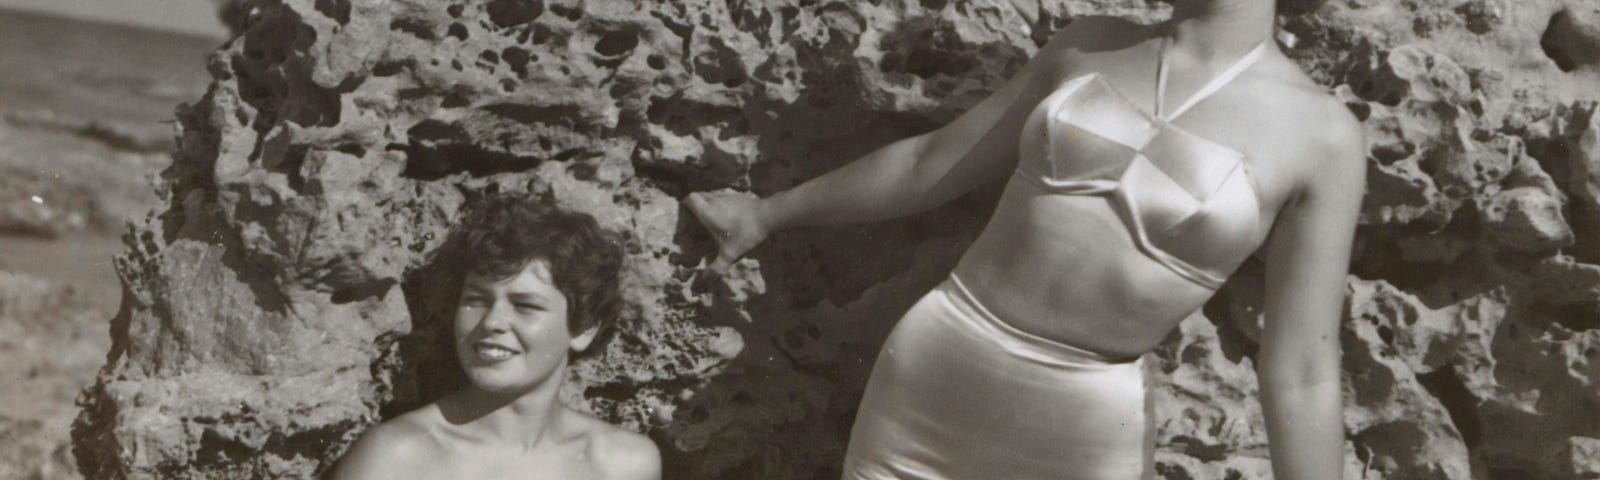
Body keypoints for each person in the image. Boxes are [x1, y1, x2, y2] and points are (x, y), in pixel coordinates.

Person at [686, 0, 1364, 478]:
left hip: (1087, 422)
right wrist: (768, 214)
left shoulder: (1322, 135)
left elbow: (1303, 367)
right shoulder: (1091, 43)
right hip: (939, 365)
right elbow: (931, 165)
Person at [333, 194, 661, 480]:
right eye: (476, 300)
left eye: (526, 305)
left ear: (584, 328)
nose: (493, 322)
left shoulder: (623, 466)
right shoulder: (396, 458)